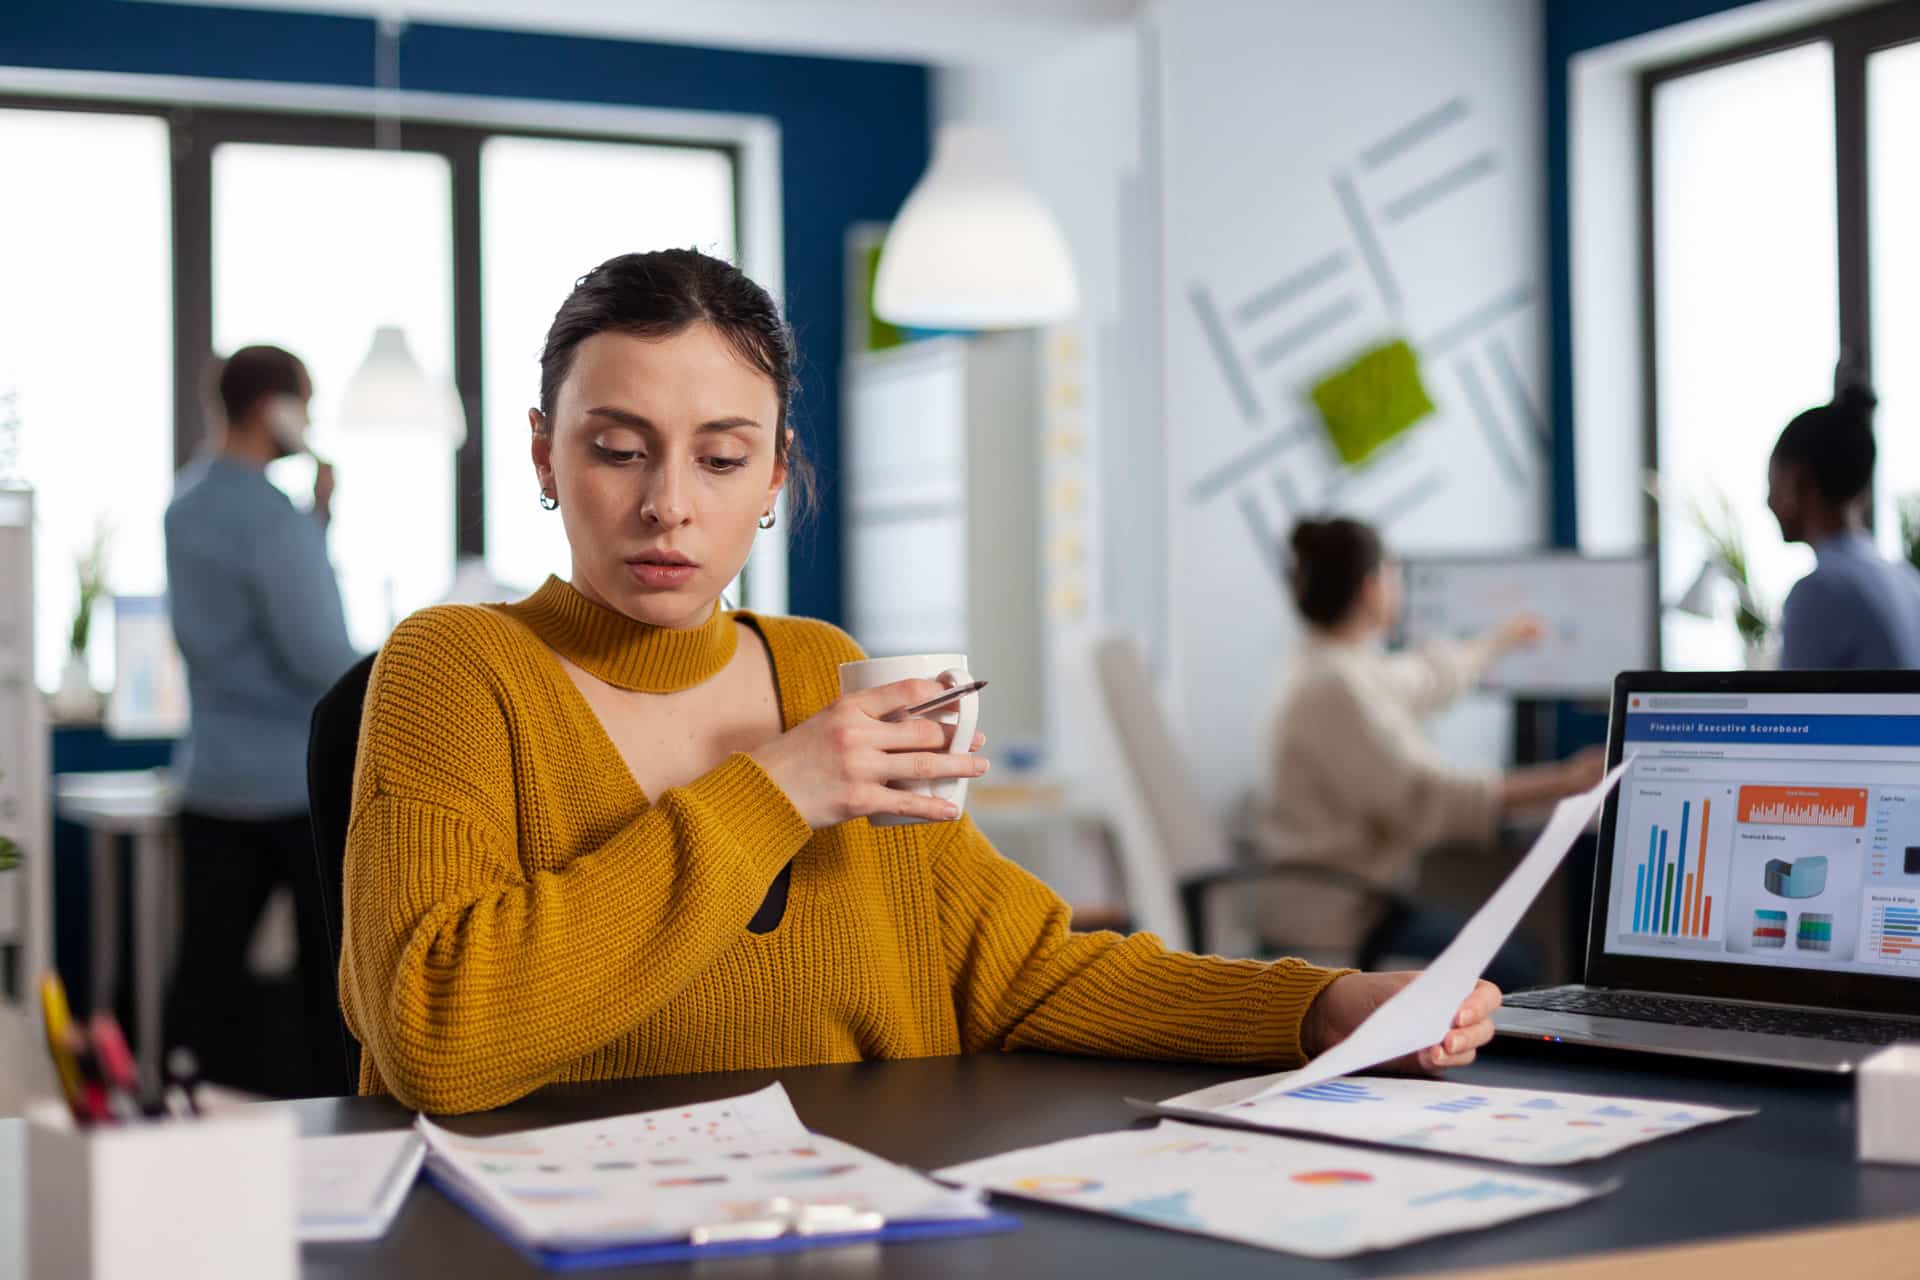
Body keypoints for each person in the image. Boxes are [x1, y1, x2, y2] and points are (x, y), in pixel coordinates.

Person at [339, 250, 1500, 1116]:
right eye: (618, 446)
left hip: (859, 1221)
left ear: (777, 472)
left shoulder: (821, 664)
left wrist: (1314, 1006)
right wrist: (776, 788)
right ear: (545, 452)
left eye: (724, 455)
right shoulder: (453, 666)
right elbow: (444, 1034)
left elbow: (1019, 969)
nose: (669, 505)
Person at [1255, 518, 1603, 988]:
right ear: (1372, 587)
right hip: (1340, 917)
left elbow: (1424, 675)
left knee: (1511, 950)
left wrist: (1501, 640)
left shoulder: (1333, 666)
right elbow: (1430, 795)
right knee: (1515, 967)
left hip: (1349, 900)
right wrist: (1565, 780)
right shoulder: (1334, 686)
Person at [164, 345, 360, 1096]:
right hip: (288, 787)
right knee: (328, 983)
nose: (304, 423)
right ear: (272, 408)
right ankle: (334, 1131)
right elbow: (319, 656)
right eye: (301, 407)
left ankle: (174, 1117)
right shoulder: (272, 519)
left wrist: (315, 520)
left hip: (211, 780)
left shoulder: (186, 504)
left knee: (205, 974)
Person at [1767, 377, 1920, 669]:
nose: (1767, 502)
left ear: (1796, 480)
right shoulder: (1908, 580)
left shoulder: (1817, 594)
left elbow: (1795, 714)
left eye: (1771, 482)